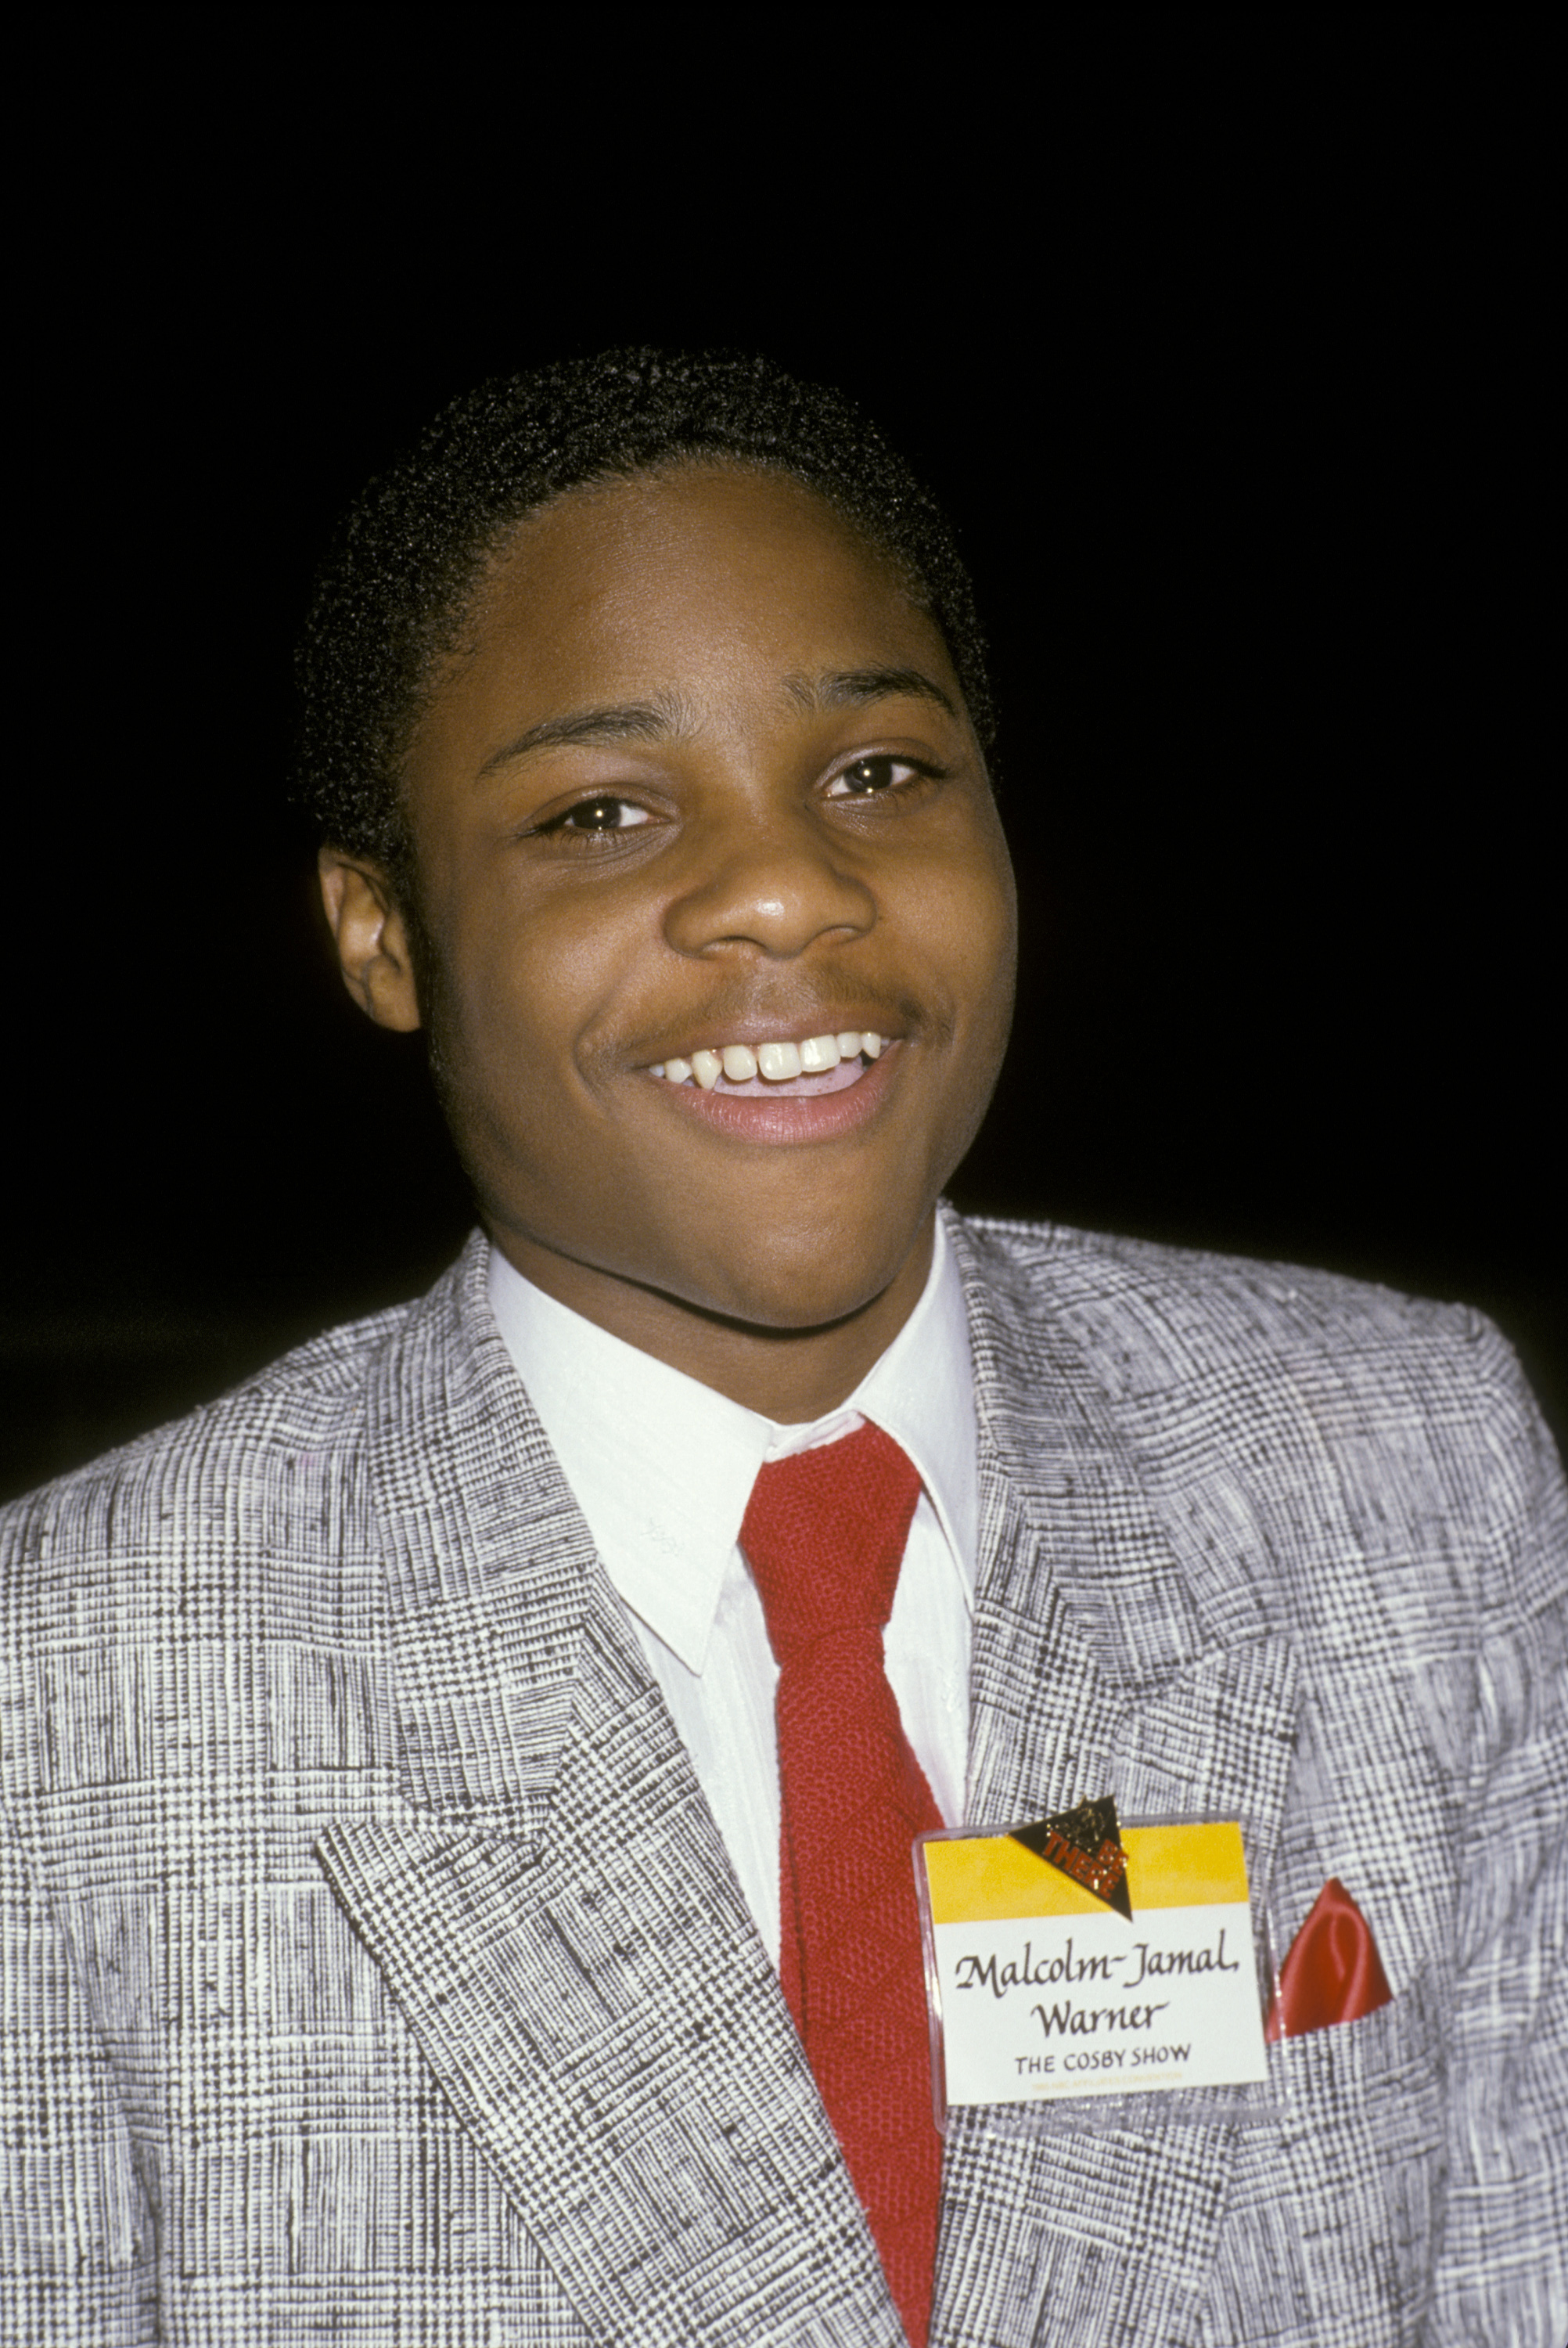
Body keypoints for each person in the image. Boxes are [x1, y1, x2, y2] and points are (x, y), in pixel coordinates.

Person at [2, 350, 1563, 2348]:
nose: (783, 887)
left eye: (879, 775)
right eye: (600, 811)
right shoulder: (74, 1698)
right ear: (383, 935)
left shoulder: (1406, 1475)